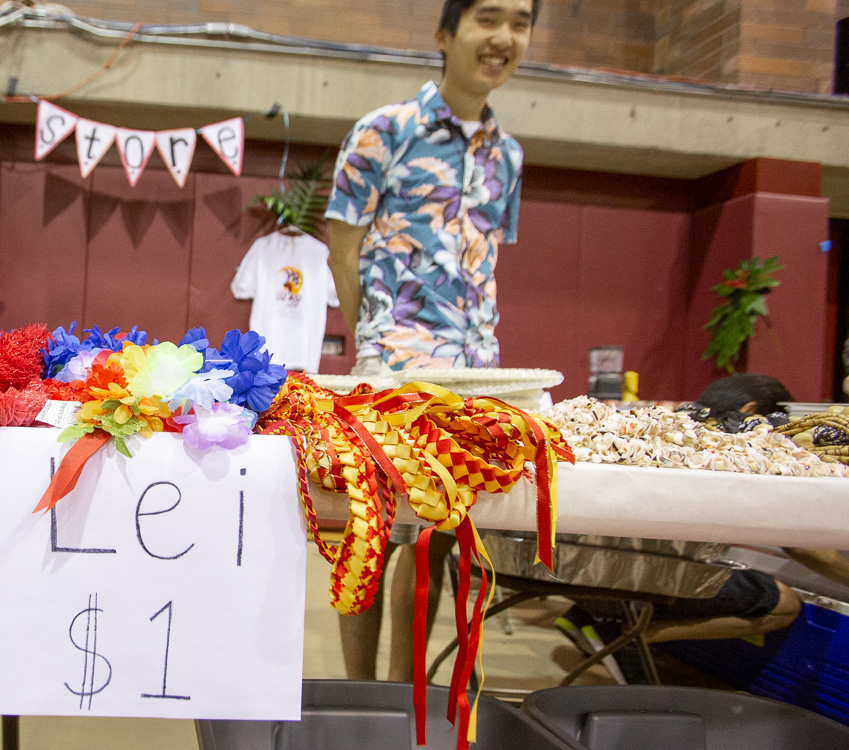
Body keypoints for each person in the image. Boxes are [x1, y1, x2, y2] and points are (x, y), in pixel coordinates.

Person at [323, 0, 540, 682]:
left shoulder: (507, 155)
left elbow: (481, 263)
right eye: (487, 18)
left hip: (475, 375)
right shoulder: (384, 132)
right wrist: (374, 344)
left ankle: (403, 694)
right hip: (392, 367)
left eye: (520, 22)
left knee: (437, 545)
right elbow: (341, 251)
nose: (502, 37)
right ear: (444, 35)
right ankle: (363, 697)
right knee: (371, 534)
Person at [557, 373, 848, 684]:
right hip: (642, 582)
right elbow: (805, 548)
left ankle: (595, 617)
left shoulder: (668, 432)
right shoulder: (737, 450)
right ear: (750, 411)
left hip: (587, 572)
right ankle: (626, 635)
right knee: (783, 602)